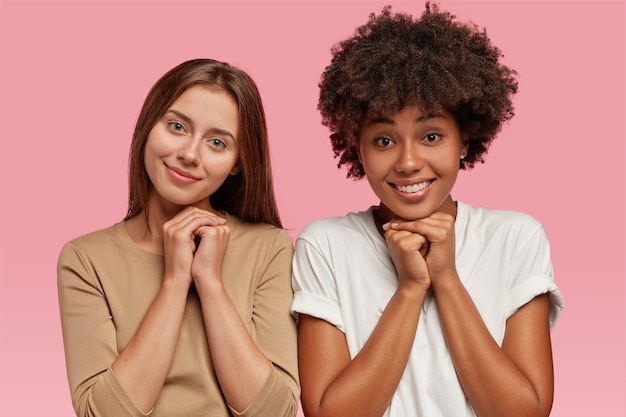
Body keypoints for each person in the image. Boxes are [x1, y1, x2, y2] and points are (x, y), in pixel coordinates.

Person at [291, 4, 564, 417]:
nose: (407, 161)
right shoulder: (326, 245)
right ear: (356, 146)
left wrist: (447, 279)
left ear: (465, 141)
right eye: (384, 140)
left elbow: (525, 412)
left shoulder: (515, 238)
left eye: (431, 135)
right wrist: (409, 289)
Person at [57, 59, 300, 417]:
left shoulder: (268, 248)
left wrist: (211, 282)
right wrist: (174, 281)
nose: (189, 153)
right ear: (147, 127)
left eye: (217, 142)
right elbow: (102, 413)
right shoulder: (85, 259)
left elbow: (274, 411)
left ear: (238, 162)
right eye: (176, 126)